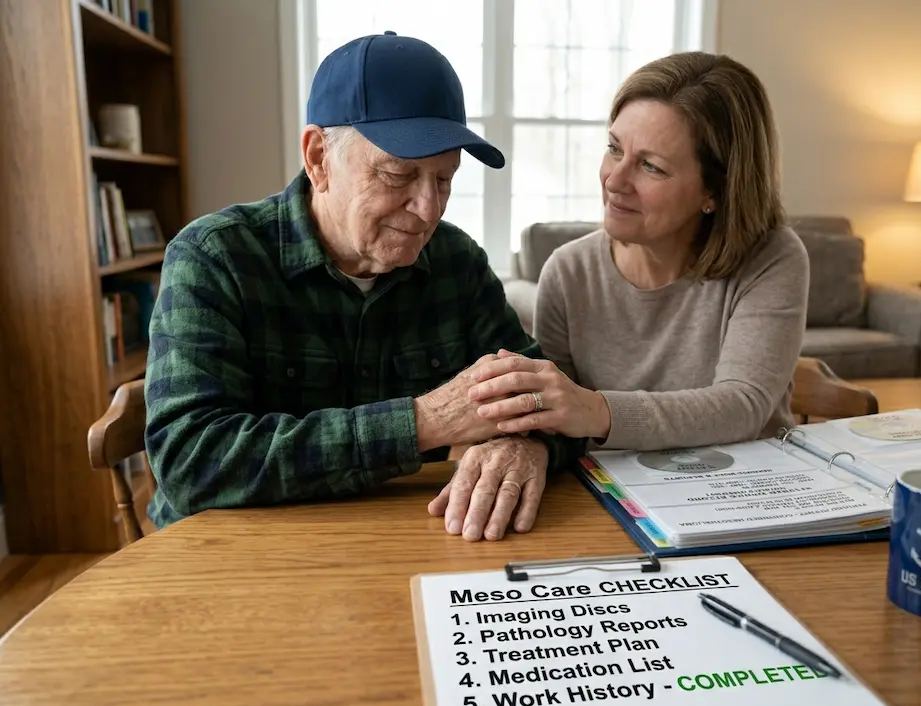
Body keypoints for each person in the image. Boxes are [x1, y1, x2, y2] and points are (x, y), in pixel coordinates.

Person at [143, 32, 580, 541]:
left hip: (395, 542)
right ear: (319, 159)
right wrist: (425, 421)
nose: (428, 210)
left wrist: (528, 443)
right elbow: (189, 461)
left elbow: (548, 401)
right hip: (230, 553)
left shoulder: (456, 262)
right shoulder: (215, 258)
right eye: (399, 175)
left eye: (444, 180)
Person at [466, 51, 809, 452]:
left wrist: (594, 410)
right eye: (614, 148)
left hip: (746, 490)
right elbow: (552, 426)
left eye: (651, 166)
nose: (614, 180)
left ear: (715, 190)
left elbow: (742, 406)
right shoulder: (568, 271)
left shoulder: (772, 258)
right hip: (608, 497)